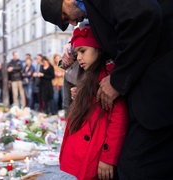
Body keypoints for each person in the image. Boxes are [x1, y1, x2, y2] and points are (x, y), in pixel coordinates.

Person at [41, 0, 173, 179]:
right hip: (149, 91)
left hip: (157, 89)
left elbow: (142, 16)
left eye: (65, 17)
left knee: (136, 167)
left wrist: (117, 81)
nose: (72, 23)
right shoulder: (91, 12)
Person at [59, 26, 128, 180]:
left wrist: (108, 157)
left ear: (98, 49)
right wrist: (81, 95)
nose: (79, 58)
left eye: (83, 51)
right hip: (88, 150)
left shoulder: (108, 80)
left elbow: (118, 119)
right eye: (76, 54)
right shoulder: (90, 75)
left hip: (97, 151)